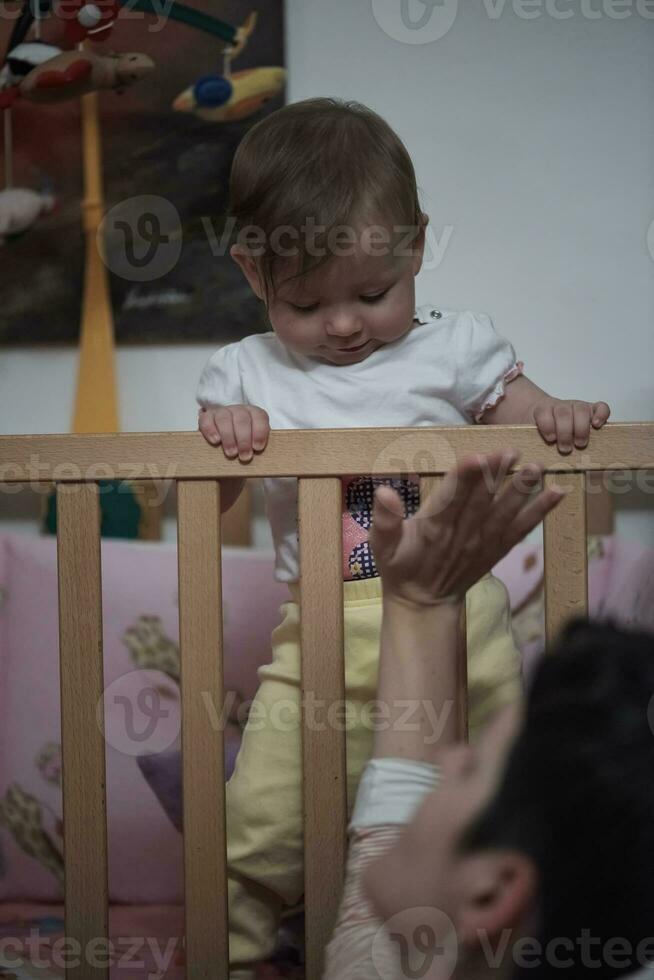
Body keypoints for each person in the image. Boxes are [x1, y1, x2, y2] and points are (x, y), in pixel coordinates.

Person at [195, 97, 611, 978]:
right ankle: (221, 960)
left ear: (416, 249)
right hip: (317, 644)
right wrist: (225, 433)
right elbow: (211, 493)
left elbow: (524, 410)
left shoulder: (453, 347)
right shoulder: (248, 371)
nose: (343, 325)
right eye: (305, 303)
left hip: (469, 637)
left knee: (508, 819)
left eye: (374, 294)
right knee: (249, 834)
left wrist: (558, 415)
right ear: (251, 271)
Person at [324, 451, 654, 980]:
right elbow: (394, 811)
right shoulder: (408, 947)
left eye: (473, 767)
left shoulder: (388, 960)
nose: (448, 756)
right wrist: (422, 602)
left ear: (491, 892)